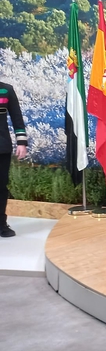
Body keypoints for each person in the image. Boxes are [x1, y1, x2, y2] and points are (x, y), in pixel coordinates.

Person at [0, 82, 27, 238]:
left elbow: (17, 117)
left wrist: (22, 142)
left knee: (1, 187)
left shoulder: (6, 90)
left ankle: (1, 225)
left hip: (2, 147)